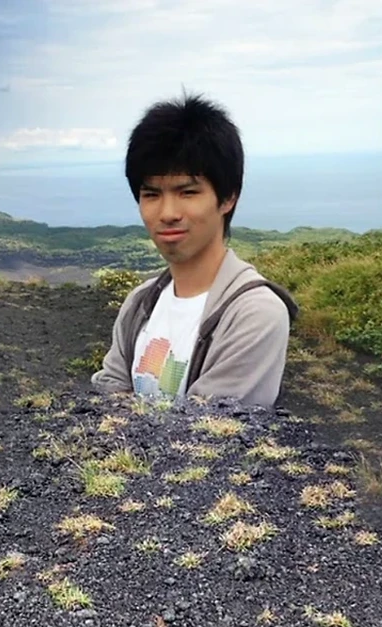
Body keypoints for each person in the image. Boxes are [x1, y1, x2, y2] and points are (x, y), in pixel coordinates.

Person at [91, 91, 299, 408]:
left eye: (187, 192)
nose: (168, 212)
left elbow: (208, 432)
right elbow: (106, 397)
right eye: (151, 194)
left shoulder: (255, 314)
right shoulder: (140, 303)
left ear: (229, 197)